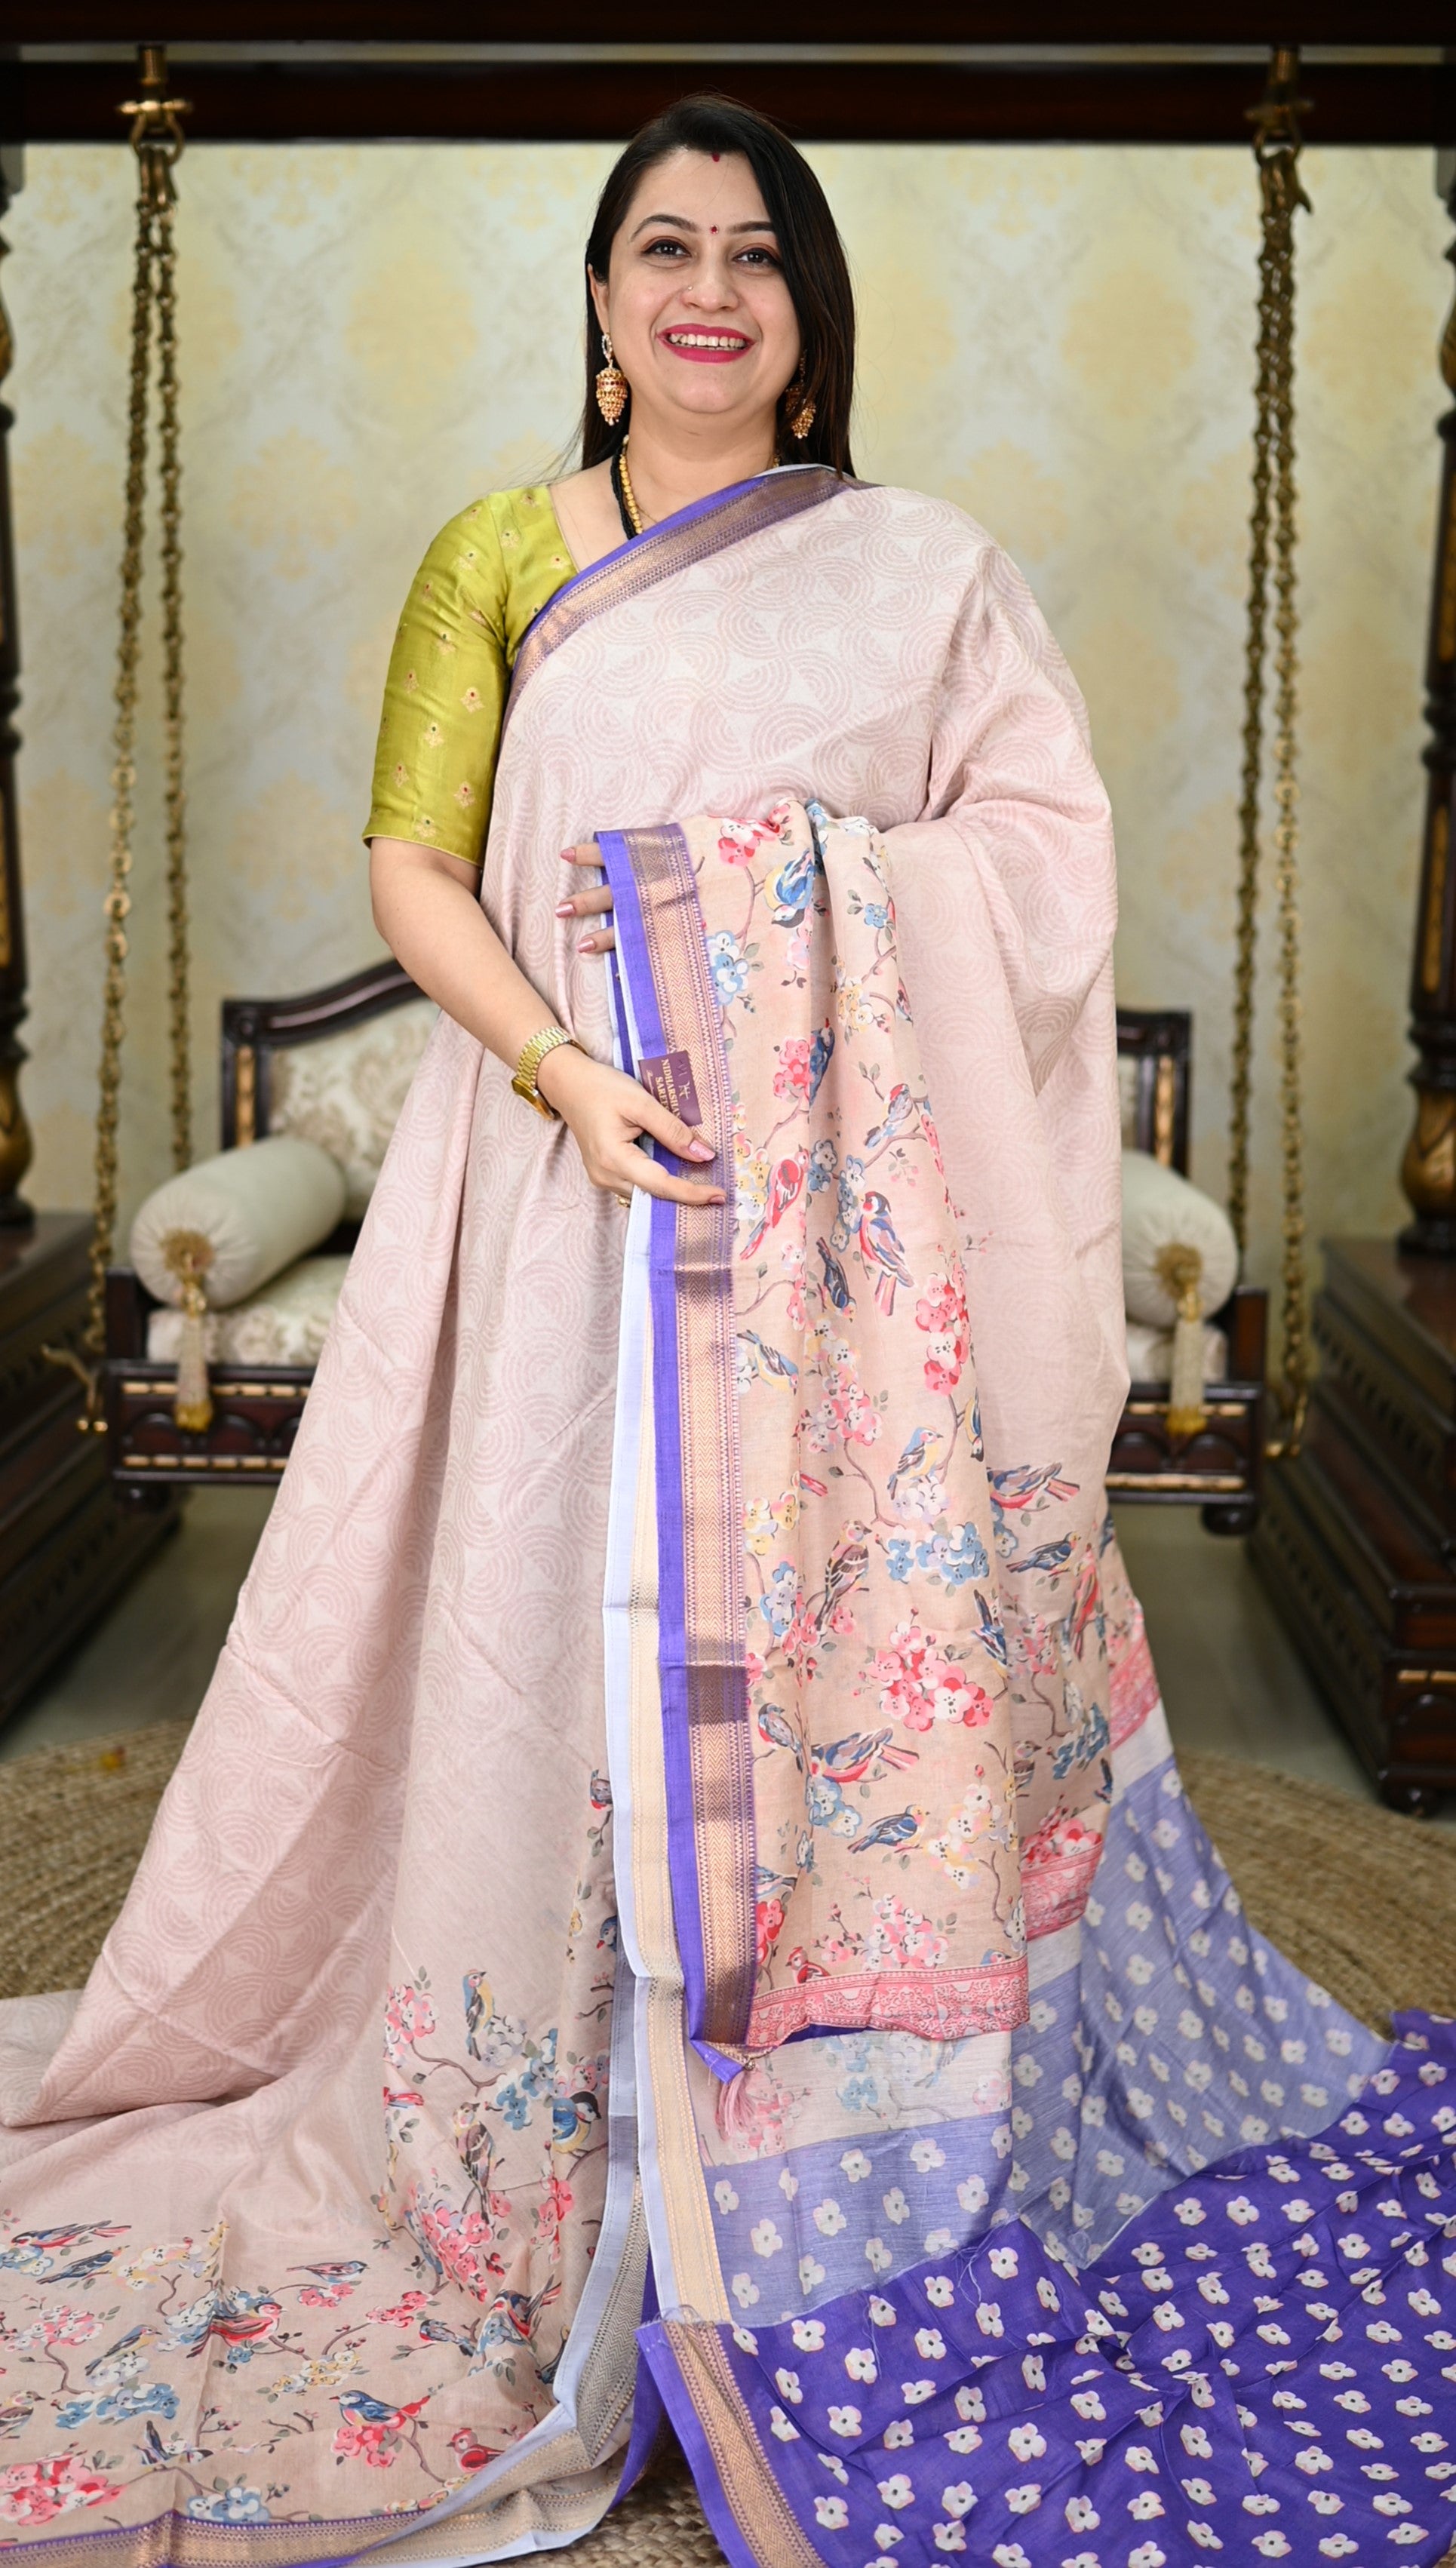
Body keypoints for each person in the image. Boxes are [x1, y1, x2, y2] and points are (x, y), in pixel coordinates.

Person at [1, 91, 1451, 2568]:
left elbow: (1036, 867)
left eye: (755, 252)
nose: (707, 288)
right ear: (598, 302)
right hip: (563, 1211)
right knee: (532, 1655)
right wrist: (565, 1070)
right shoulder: (500, 554)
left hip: (840, 1285)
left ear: (807, 312)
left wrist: (782, 897)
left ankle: (819, 2179)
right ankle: (547, 2153)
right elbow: (412, 865)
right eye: (661, 247)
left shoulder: (923, 574)